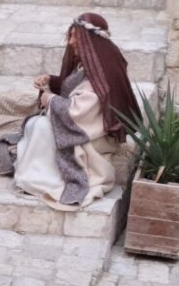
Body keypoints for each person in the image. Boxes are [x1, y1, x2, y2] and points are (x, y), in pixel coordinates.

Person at [13, 13, 139, 209]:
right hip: (83, 126)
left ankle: (41, 179)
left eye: (75, 37)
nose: (71, 42)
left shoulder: (103, 73)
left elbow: (78, 112)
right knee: (35, 124)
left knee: (40, 127)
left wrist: (50, 99)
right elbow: (74, 86)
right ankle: (35, 173)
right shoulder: (90, 63)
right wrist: (51, 81)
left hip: (92, 137)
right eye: (70, 36)